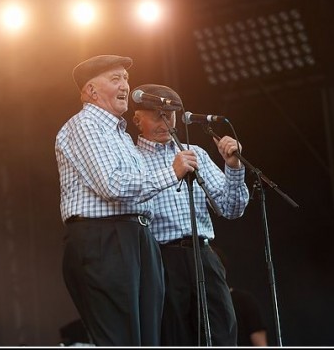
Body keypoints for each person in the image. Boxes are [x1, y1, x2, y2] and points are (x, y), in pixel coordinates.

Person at [54, 55, 198, 346]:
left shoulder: (120, 134)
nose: (125, 86)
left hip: (136, 236)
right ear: (91, 91)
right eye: (115, 79)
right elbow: (112, 185)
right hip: (104, 238)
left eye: (126, 78)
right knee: (121, 338)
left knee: (147, 339)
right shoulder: (85, 125)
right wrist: (171, 172)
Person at [131, 83, 250, 346]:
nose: (165, 121)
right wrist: (171, 172)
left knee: (222, 332)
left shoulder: (197, 154)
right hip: (162, 258)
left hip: (203, 253)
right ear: (137, 119)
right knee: (175, 336)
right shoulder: (132, 158)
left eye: (170, 114)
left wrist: (233, 167)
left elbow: (232, 209)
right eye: (156, 115)